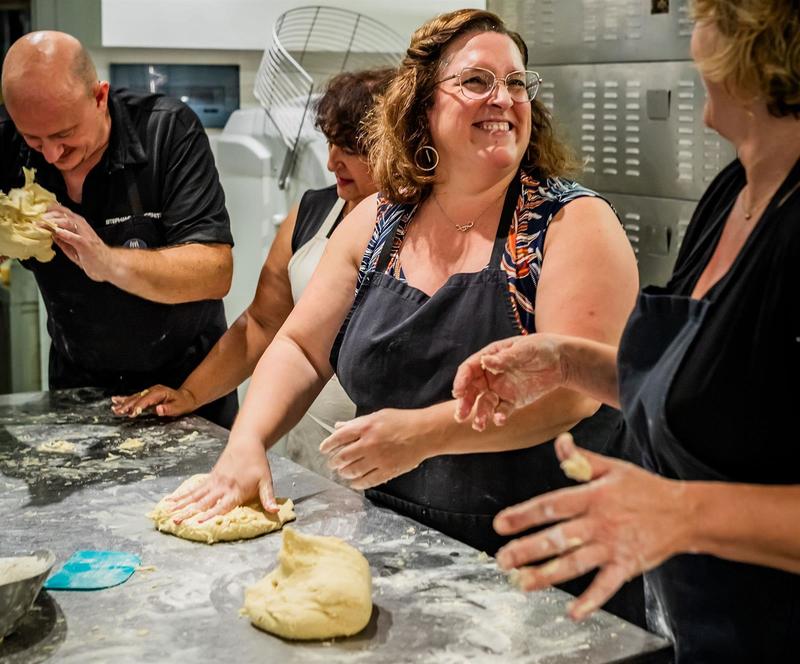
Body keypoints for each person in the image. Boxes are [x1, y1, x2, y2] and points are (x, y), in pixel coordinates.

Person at [165, 8, 641, 619]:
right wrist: (247, 441)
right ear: (422, 107)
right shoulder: (380, 220)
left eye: (516, 83)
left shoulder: (570, 224)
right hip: (397, 546)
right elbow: (301, 346)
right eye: (477, 82)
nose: (504, 98)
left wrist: (423, 436)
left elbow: (571, 394)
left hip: (545, 559)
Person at [451, 1, 800, 660]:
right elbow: (723, 397)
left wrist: (681, 513)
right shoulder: (737, 191)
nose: (689, 35)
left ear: (751, 47)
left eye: (704, 17)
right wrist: (567, 362)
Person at [111, 68, 394, 480]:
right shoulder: (312, 213)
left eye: (351, 148)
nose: (333, 160)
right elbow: (261, 324)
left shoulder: (423, 228)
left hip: (384, 458)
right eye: (331, 143)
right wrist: (191, 393)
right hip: (302, 454)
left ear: (396, 145)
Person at [0, 31, 236, 427]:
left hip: (186, 384)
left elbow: (214, 271)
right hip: (77, 384)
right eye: (34, 140)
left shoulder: (167, 131)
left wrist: (106, 262)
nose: (53, 155)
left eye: (64, 135)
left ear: (99, 97)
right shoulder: (7, 145)